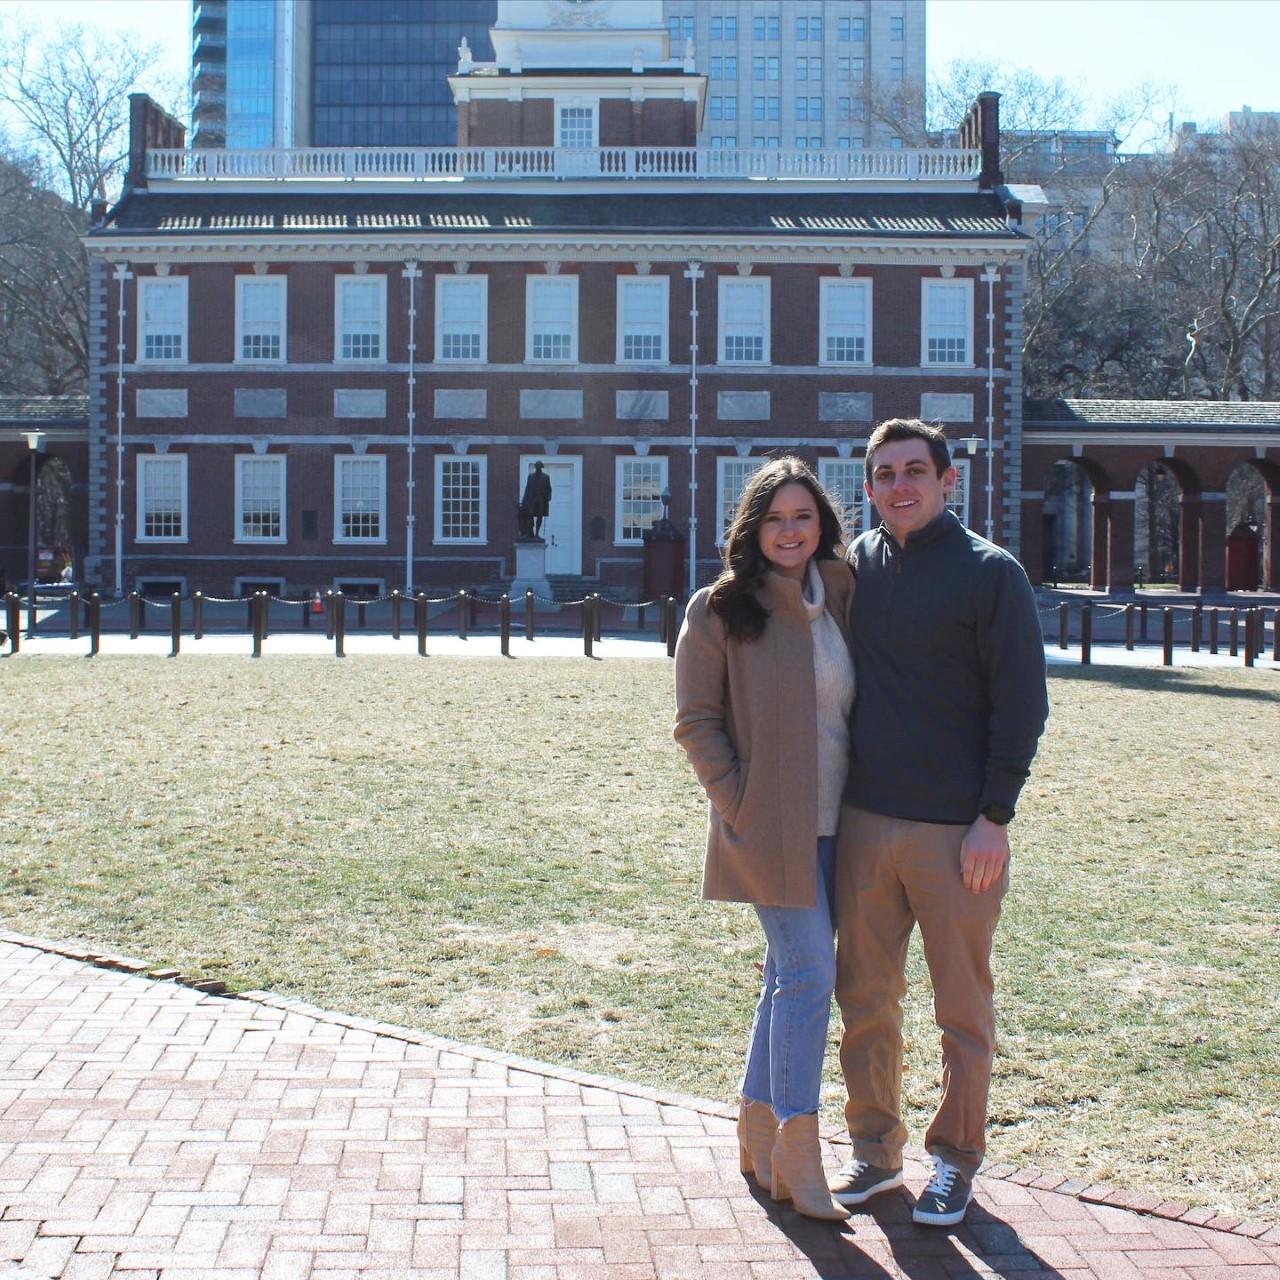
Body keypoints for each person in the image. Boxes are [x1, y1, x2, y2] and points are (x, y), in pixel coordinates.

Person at [828, 419, 1049, 1227]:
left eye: (915, 471)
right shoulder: (854, 568)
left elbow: (1022, 704)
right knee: (866, 997)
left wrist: (995, 816)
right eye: (883, 474)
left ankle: (955, 1159)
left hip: (958, 834)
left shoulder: (992, 575)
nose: (899, 486)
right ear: (870, 488)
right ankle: (874, 1153)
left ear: (948, 481)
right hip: (862, 823)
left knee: (961, 1006)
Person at [674, 457, 855, 1222]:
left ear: (822, 527)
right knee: (811, 975)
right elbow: (696, 723)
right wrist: (738, 802)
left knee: (787, 975)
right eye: (776, 518)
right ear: (753, 528)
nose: (790, 531)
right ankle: (797, 1150)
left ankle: (754, 1126)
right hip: (765, 827)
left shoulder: (843, 594)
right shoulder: (719, 608)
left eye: (803, 518)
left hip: (842, 823)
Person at [521, 461, 552, 537]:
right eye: (536, 467)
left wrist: (549, 497)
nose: (538, 468)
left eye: (539, 467)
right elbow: (527, 488)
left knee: (540, 516)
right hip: (532, 499)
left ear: (541, 467)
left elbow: (549, 489)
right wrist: (524, 499)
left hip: (541, 499)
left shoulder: (546, 477)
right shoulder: (530, 476)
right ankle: (529, 532)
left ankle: (537, 533)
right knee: (530, 514)